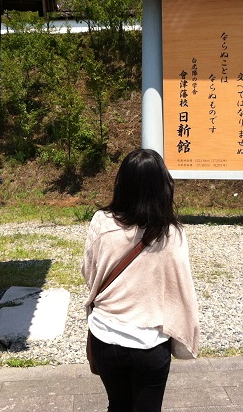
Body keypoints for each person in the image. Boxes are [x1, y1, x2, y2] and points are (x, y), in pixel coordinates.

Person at [82, 148, 200, 412]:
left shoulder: (102, 222)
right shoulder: (171, 233)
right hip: (149, 343)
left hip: (105, 337)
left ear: (121, 183)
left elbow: (89, 272)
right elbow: (182, 286)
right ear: (163, 186)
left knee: (118, 405)